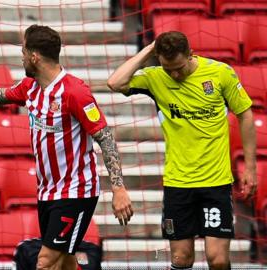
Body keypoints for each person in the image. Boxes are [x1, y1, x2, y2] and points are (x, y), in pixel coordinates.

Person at [0, 24, 133, 270]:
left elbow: (105, 137)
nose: (21, 57)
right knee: (65, 263)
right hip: (47, 192)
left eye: (23, 51)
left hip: (76, 192)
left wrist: (118, 188)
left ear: (34, 56)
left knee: (44, 262)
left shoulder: (75, 92)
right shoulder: (30, 88)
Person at [107, 31, 257, 270]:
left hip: (215, 183)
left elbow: (245, 115)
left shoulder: (219, 73)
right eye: (168, 69)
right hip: (178, 184)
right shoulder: (156, 78)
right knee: (181, 258)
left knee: (217, 259)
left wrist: (250, 167)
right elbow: (115, 82)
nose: (174, 74)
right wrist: (148, 50)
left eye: (178, 68)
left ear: (190, 54)